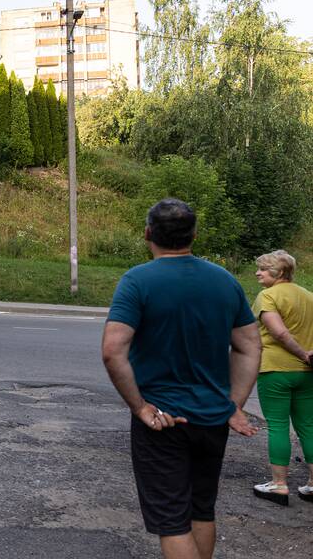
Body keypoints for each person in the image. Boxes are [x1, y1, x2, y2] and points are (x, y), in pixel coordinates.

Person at [102, 198, 261, 559]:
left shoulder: (137, 281)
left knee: (172, 520)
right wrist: (232, 404)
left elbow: (113, 351)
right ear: (194, 235)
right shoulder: (224, 281)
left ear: (147, 234)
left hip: (163, 419)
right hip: (212, 419)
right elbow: (250, 347)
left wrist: (140, 408)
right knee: (201, 508)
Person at [249, 250, 313, 505]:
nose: (257, 273)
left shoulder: (267, 296)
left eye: (263, 269)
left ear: (278, 273)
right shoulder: (309, 296)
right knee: (308, 426)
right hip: (307, 373)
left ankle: (278, 484)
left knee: (277, 426)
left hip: (275, 369)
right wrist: (309, 356)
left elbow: (280, 334)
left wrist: (301, 354)